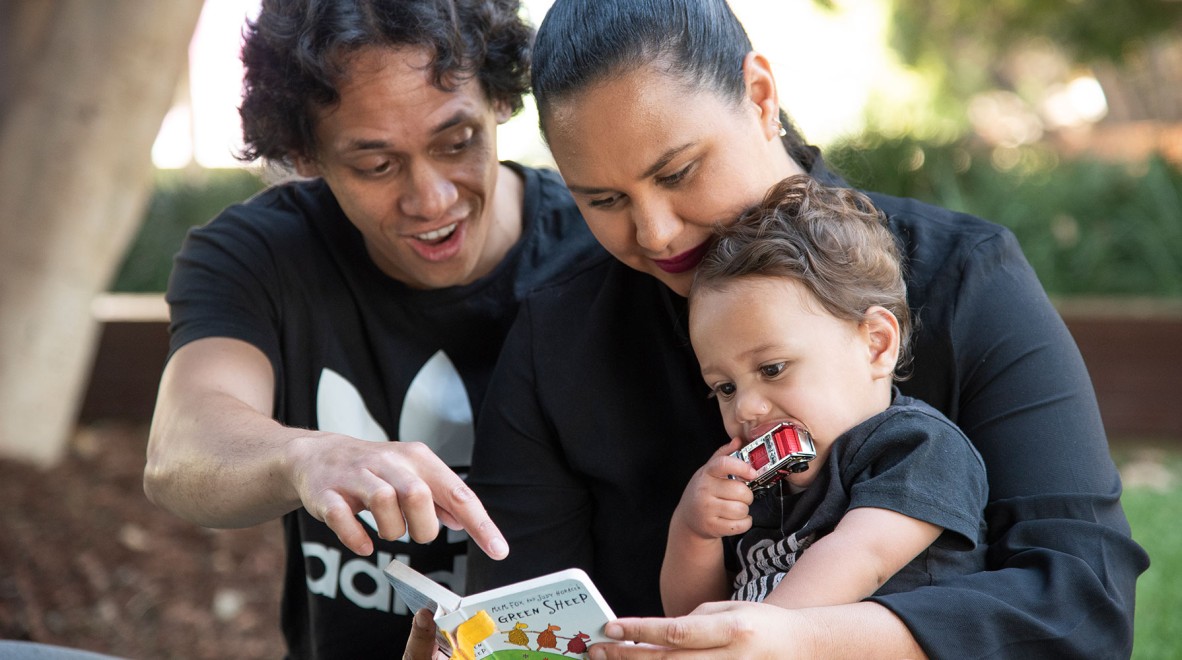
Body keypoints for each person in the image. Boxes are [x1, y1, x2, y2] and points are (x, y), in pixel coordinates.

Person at [467, 0, 1148, 657]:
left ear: (760, 96)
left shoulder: (963, 279)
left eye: (678, 171)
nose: (656, 232)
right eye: (604, 200)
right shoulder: (557, 336)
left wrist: (802, 642)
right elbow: (514, 621)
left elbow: (1083, 606)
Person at [142, 0, 601, 657]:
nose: (432, 198)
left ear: (499, 100)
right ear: (305, 152)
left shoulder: (602, 251)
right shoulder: (258, 258)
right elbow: (181, 449)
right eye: (377, 165)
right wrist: (307, 456)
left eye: (457, 141)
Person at [663, 174, 987, 617]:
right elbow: (691, 618)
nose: (746, 407)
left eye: (772, 368)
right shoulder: (757, 489)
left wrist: (758, 635)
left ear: (875, 344)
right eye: (725, 387)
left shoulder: (918, 448)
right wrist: (693, 531)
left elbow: (863, 557)